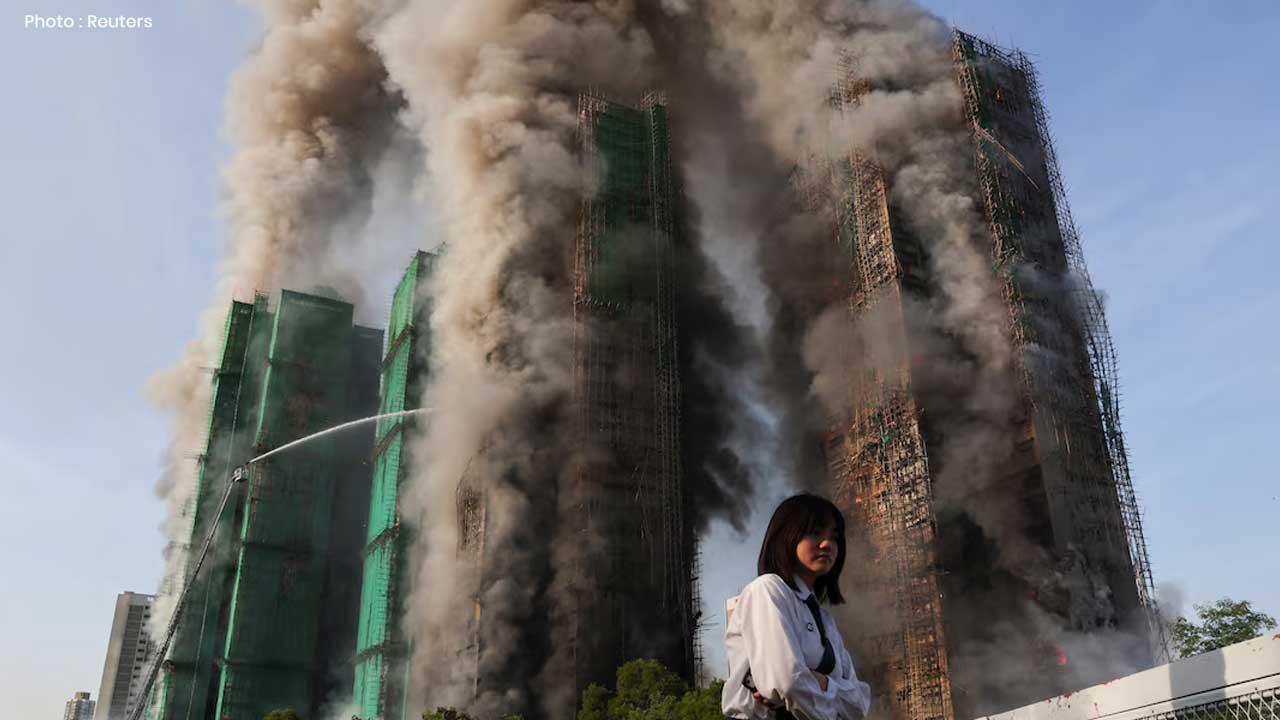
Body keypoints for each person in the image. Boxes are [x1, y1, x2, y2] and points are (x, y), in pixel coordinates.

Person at [722, 493, 872, 720]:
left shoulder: (825, 620)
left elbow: (860, 703)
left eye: (834, 537)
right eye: (815, 532)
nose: (827, 544)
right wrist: (834, 692)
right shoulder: (767, 590)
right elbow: (787, 682)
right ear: (787, 536)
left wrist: (821, 682)